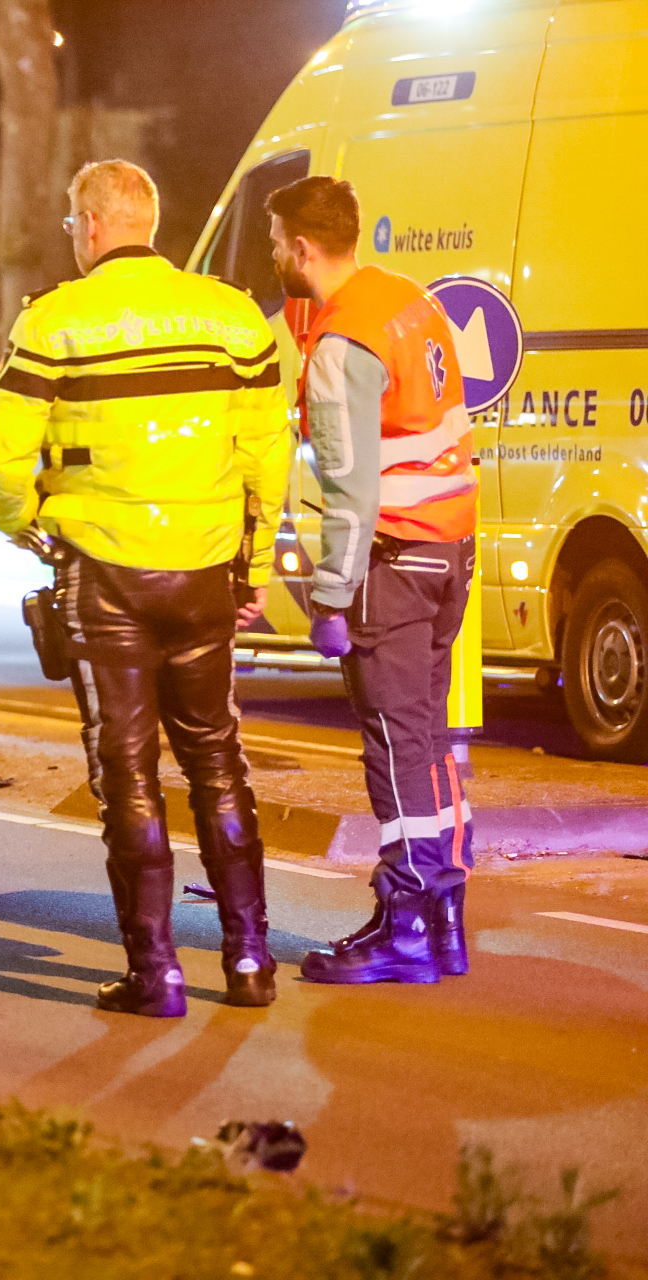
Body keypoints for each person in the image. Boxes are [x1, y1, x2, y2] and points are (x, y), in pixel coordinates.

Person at [0, 160, 291, 1017]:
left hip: (103, 574)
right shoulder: (231, 316)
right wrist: (251, 566)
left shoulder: (56, 320)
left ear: (88, 223)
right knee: (216, 758)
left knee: (128, 773)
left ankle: (155, 974)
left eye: (71, 224)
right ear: (149, 222)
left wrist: (27, 524)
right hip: (205, 572)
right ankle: (250, 958)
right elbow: (270, 453)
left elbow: (4, 455)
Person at [268, 176, 476, 985]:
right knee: (428, 745)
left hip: (391, 559)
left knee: (393, 750)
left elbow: (350, 488)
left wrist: (328, 597)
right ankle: (444, 913)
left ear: (303, 248)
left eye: (277, 242)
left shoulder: (341, 345)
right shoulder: (406, 300)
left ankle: (406, 926)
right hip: (449, 553)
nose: (273, 255)